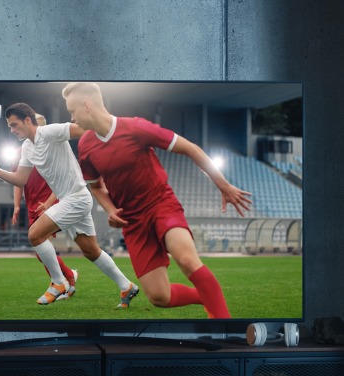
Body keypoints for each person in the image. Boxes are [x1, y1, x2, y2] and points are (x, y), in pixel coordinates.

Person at [62, 82, 253, 319]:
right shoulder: (85, 145)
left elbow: (191, 148)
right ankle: (205, 295)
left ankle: (225, 327)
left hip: (161, 204)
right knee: (159, 297)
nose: (71, 118)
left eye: (72, 111)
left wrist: (223, 185)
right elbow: (96, 185)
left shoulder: (135, 127)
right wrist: (110, 209)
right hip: (132, 222)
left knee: (186, 259)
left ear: (87, 106)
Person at [0, 102, 138, 307]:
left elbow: (85, 129)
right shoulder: (27, 148)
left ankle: (58, 283)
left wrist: (109, 149)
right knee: (91, 251)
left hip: (77, 198)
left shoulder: (51, 132)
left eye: (14, 125)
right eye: (9, 126)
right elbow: (21, 179)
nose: (11, 130)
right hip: (70, 199)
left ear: (27, 121)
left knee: (34, 234)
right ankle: (126, 286)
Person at [12, 113, 78, 299]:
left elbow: (60, 178)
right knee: (40, 251)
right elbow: (18, 182)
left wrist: (50, 202)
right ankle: (67, 277)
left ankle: (63, 282)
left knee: (42, 245)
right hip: (33, 205)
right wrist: (17, 206)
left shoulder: (51, 150)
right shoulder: (21, 152)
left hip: (49, 204)